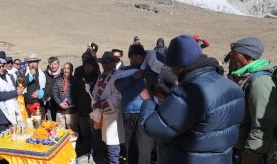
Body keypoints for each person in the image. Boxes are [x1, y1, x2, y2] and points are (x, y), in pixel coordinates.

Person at [139, 35, 245, 164]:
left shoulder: (190, 93)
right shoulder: (233, 87)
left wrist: (148, 101)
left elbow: (154, 128)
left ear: (177, 64)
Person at [229, 37, 277, 164]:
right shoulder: (243, 74)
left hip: (248, 152)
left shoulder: (260, 82)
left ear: (248, 57)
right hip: (238, 147)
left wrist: (252, 153)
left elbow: (263, 122)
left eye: (235, 53)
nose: (231, 55)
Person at [114, 45, 159, 164]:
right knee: (131, 147)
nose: (134, 59)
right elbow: (119, 86)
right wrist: (133, 77)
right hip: (128, 113)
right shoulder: (124, 71)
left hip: (145, 113)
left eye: (137, 56)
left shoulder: (150, 71)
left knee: (144, 148)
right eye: (132, 56)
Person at [91, 52, 125, 164]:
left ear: (113, 63)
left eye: (108, 62)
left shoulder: (118, 75)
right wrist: (95, 103)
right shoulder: (101, 77)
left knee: (113, 145)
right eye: (103, 62)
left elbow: (118, 96)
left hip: (113, 116)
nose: (105, 65)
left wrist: (102, 104)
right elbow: (95, 93)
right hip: (101, 116)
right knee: (102, 143)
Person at [74, 56, 103, 163]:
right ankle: (86, 154)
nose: (87, 68)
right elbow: (77, 95)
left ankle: (95, 155)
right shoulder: (80, 78)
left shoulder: (98, 79)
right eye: (85, 65)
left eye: (89, 65)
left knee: (95, 136)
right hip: (81, 112)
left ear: (94, 66)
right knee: (85, 135)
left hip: (93, 114)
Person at [52, 62, 77, 130]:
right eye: (64, 68)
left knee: (71, 131)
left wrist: (68, 103)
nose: (66, 70)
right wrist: (60, 103)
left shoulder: (75, 81)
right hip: (60, 111)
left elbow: (76, 94)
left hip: (70, 111)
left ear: (71, 70)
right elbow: (54, 94)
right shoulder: (58, 80)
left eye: (68, 68)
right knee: (59, 131)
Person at [24, 54, 46, 119]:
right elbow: (21, 85)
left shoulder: (43, 74)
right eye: (31, 62)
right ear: (27, 63)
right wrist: (30, 75)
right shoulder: (22, 72)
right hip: (26, 104)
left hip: (39, 104)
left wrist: (40, 94)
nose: (33, 64)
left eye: (35, 62)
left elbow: (47, 88)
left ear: (37, 63)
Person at [44, 56, 63, 121]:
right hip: (49, 103)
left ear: (58, 64)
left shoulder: (63, 73)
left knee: (60, 124)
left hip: (60, 103)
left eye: (55, 64)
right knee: (50, 123)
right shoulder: (46, 74)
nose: (53, 66)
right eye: (51, 64)